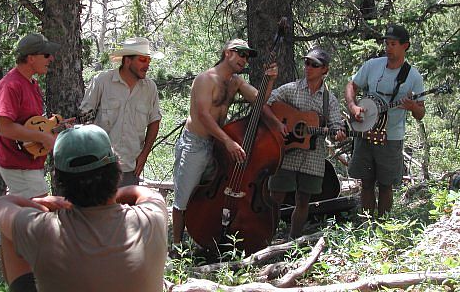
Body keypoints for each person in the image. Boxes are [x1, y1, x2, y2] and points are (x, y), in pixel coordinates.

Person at [0, 124, 168, 292]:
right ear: (117, 168)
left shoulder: (44, 230)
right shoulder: (152, 216)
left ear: (58, 180)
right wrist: (112, 196)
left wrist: (42, 203)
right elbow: (141, 192)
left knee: (10, 231)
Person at [172, 39, 278, 247]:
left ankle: (203, 240)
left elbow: (259, 100)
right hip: (195, 144)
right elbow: (202, 115)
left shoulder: (235, 82)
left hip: (216, 146)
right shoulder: (206, 79)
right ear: (228, 53)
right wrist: (228, 141)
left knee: (209, 196)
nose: (244, 59)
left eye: (247, 56)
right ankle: (175, 245)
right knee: (183, 199)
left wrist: (270, 80)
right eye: (241, 54)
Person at [262, 46, 346, 238]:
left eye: (314, 64)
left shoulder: (329, 100)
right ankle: (268, 237)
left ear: (324, 69)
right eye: (306, 63)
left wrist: (338, 133)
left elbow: (335, 127)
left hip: (313, 158)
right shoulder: (290, 90)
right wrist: (277, 125)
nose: (308, 67)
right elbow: (266, 103)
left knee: (303, 200)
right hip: (286, 153)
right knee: (276, 196)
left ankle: (293, 241)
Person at [345, 24, 425, 217]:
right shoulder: (373, 65)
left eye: (393, 44)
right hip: (366, 131)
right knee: (366, 182)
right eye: (386, 43)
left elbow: (420, 113)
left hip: (391, 137)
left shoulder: (413, 77)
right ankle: (366, 225)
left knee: (386, 185)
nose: (388, 48)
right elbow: (351, 85)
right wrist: (353, 106)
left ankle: (384, 226)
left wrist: (413, 107)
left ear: (405, 46)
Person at [80, 37, 163, 186]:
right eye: (142, 60)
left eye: (148, 60)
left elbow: (154, 121)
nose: (147, 65)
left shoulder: (150, 88)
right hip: (100, 167)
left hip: (131, 168)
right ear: (127, 61)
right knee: (99, 208)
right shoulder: (102, 81)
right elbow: (84, 120)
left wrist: (144, 155)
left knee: (127, 209)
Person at [0, 32, 61, 199]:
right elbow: (4, 127)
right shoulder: (10, 85)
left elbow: (29, 123)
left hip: (29, 164)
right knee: (40, 215)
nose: (51, 58)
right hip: (18, 166)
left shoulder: (32, 84)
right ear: (31, 58)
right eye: (46, 55)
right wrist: (43, 137)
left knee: (29, 218)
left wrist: (52, 129)